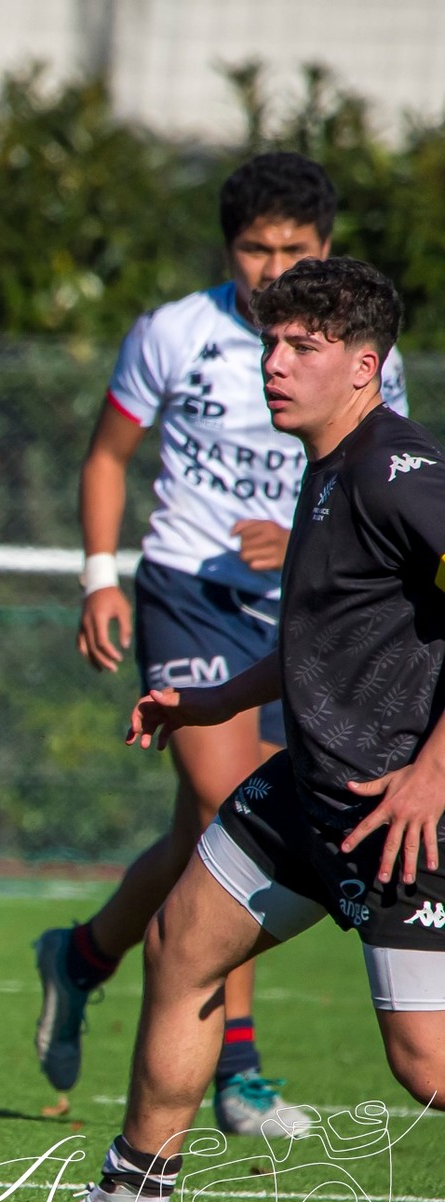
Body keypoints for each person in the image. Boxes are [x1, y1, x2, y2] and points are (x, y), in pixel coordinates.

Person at [15, 257, 445, 1202]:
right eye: (269, 343)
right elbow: (320, 639)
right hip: (309, 789)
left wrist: (430, 774)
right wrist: (205, 700)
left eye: (302, 345)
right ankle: (133, 1199)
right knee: (177, 945)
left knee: (423, 1065)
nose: (274, 364)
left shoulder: (391, 468)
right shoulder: (326, 466)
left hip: (399, 812)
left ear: (363, 365)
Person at [38, 154, 408, 1136]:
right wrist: (98, 575)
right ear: (226, 249)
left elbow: (375, 499)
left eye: (292, 249)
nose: (269, 266)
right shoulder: (172, 333)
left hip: (298, 612)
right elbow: (108, 455)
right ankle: (233, 1074)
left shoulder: (365, 372)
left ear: (324, 252)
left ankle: (79, 955)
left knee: (200, 839)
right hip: (189, 594)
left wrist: (301, 548)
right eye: (254, 247)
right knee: (221, 801)